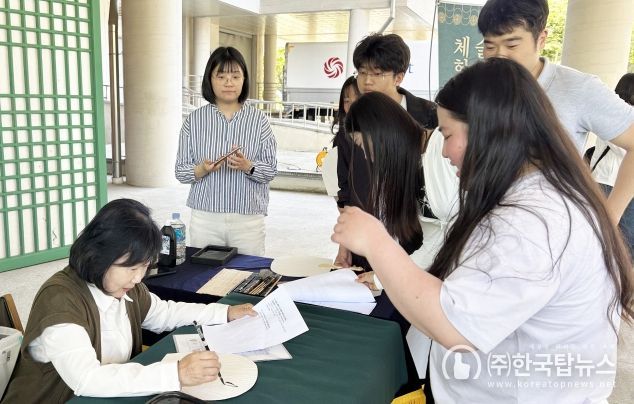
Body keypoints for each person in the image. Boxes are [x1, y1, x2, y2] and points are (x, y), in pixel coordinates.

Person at [332, 58, 633, 402]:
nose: (445, 151)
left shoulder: (531, 221)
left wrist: (375, 242)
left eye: (448, 135)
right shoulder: (537, 194)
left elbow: (454, 325)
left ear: (490, 131)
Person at [2, 199, 257, 403]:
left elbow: (164, 313)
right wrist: (176, 373)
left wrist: (224, 313)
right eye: (131, 268)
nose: (138, 278)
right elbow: (87, 380)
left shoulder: (124, 286)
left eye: (144, 266)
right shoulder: (60, 299)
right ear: (97, 256)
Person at [478, 0, 634, 229]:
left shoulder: (577, 88)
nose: (499, 56)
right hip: (491, 224)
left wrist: (608, 218)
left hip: (552, 231)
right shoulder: (481, 87)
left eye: (511, 44)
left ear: (541, 39)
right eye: (490, 46)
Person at [334, 33, 438, 269]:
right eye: (362, 72)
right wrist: (346, 243)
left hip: (419, 245)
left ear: (398, 77)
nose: (366, 82)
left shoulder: (431, 118)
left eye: (377, 73)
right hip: (367, 244)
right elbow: (347, 188)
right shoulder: (354, 121)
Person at [175, 46, 277, 256]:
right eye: (221, 76)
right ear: (210, 80)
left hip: (248, 218)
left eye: (235, 76)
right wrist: (202, 169)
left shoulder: (259, 121)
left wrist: (248, 166)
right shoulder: (194, 121)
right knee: (204, 273)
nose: (229, 82)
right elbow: (180, 171)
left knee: (247, 274)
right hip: (206, 218)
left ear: (244, 80)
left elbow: (271, 171)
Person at [591, 73, 634, 259]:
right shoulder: (614, 116)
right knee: (609, 233)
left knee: (627, 237)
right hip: (606, 181)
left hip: (625, 185)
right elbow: (623, 150)